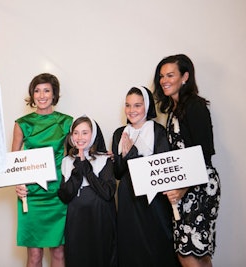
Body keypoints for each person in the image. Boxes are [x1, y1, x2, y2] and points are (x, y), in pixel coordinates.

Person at [153, 54, 221, 267]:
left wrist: (183, 188)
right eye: (162, 76)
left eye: (170, 75)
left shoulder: (195, 106)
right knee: (196, 254)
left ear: (185, 77)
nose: (164, 80)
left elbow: (204, 153)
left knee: (190, 254)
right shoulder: (173, 111)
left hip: (199, 187)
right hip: (183, 188)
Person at [112, 86, 180, 267]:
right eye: (128, 105)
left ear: (147, 106)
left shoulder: (158, 131)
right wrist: (125, 158)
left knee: (155, 244)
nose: (131, 110)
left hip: (154, 199)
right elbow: (118, 172)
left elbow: (162, 167)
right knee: (130, 245)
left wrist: (131, 153)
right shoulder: (120, 133)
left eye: (137, 105)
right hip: (128, 197)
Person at [13, 73, 73, 267]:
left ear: (54, 94)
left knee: (58, 252)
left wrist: (102, 154)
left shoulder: (66, 122)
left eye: (46, 90)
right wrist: (18, 184)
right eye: (37, 91)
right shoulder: (22, 123)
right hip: (30, 196)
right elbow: (14, 161)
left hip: (58, 194)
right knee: (34, 255)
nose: (41, 95)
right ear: (32, 94)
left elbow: (75, 155)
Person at [58, 116, 117, 267]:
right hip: (76, 220)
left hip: (100, 219)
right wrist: (78, 167)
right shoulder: (66, 161)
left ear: (93, 135)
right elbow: (65, 195)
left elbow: (107, 193)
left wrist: (86, 166)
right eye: (75, 133)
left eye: (85, 133)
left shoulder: (104, 159)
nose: (79, 137)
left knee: (101, 257)